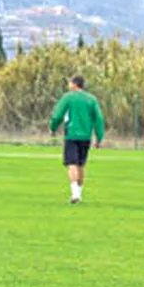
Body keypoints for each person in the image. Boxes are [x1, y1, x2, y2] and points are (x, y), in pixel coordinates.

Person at [49, 75, 105, 204]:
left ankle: (74, 193)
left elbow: (57, 115)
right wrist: (99, 136)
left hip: (72, 134)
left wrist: (53, 127)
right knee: (81, 164)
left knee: (72, 163)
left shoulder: (68, 97)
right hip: (86, 136)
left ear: (74, 84)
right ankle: (78, 193)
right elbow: (99, 118)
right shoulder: (91, 99)